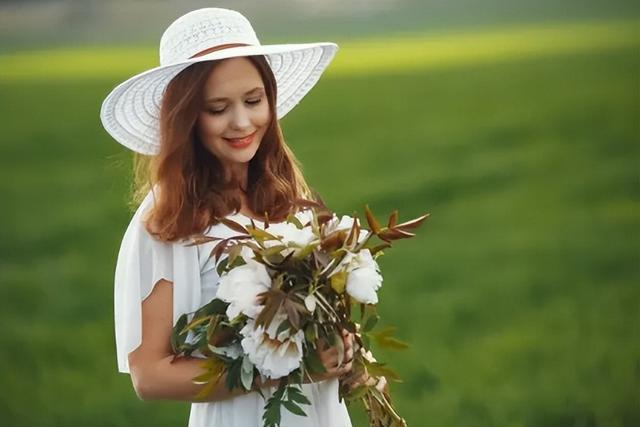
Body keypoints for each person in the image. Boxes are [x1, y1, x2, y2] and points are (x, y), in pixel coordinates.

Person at [100, 7, 380, 427]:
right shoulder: (169, 219)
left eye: (254, 100)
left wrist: (340, 345)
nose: (242, 122)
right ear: (187, 117)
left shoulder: (286, 194)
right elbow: (150, 376)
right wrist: (292, 365)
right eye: (217, 108)